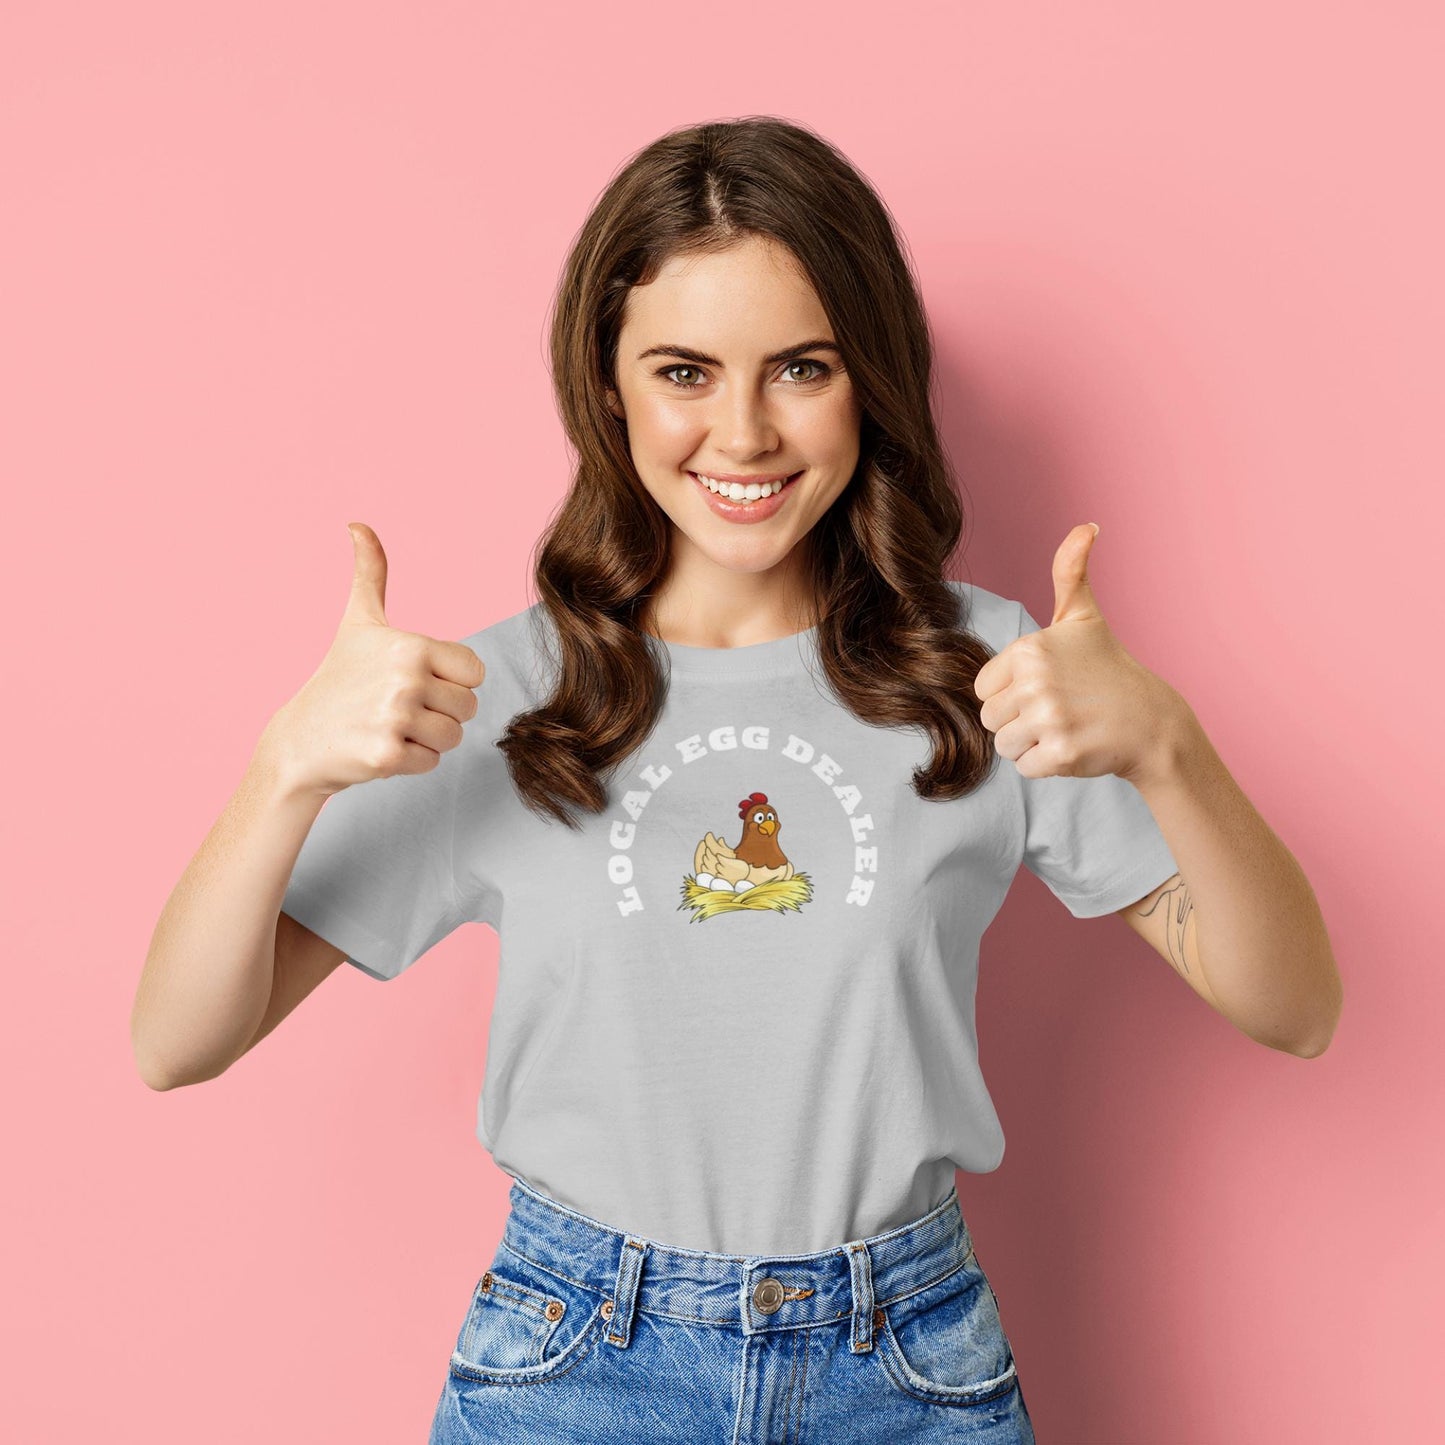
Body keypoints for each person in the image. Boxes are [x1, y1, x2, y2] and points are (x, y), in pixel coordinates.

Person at [132, 116, 1341, 1444]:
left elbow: (1294, 1007)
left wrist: (1165, 744)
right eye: (684, 371)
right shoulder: (501, 699)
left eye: (800, 368)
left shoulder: (1000, 677)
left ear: (867, 377)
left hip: (906, 1365)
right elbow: (175, 1042)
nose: (745, 432)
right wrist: (283, 769)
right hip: (577, 1360)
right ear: (609, 386)